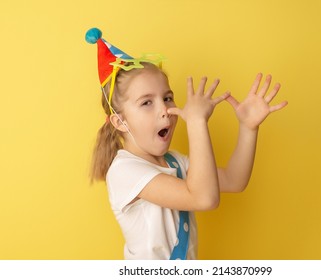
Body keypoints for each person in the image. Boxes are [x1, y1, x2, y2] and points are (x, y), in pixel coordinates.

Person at [86, 28, 288, 260]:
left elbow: (234, 180)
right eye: (146, 103)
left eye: (167, 98)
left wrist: (248, 128)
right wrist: (196, 122)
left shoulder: (175, 161)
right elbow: (203, 198)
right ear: (119, 121)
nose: (164, 109)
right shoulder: (124, 171)